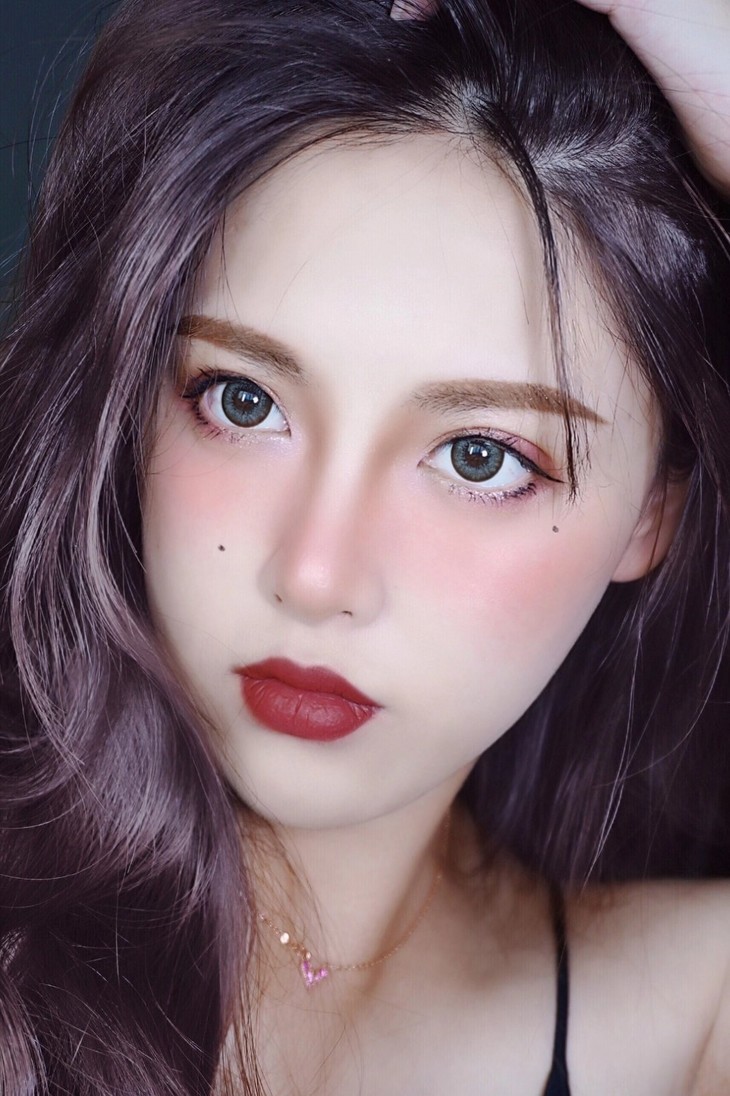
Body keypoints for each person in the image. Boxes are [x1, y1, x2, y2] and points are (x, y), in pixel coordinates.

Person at [1, 1, 729, 1093]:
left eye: (479, 458)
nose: (315, 575)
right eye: (242, 400)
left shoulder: (693, 1014)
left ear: (651, 513)